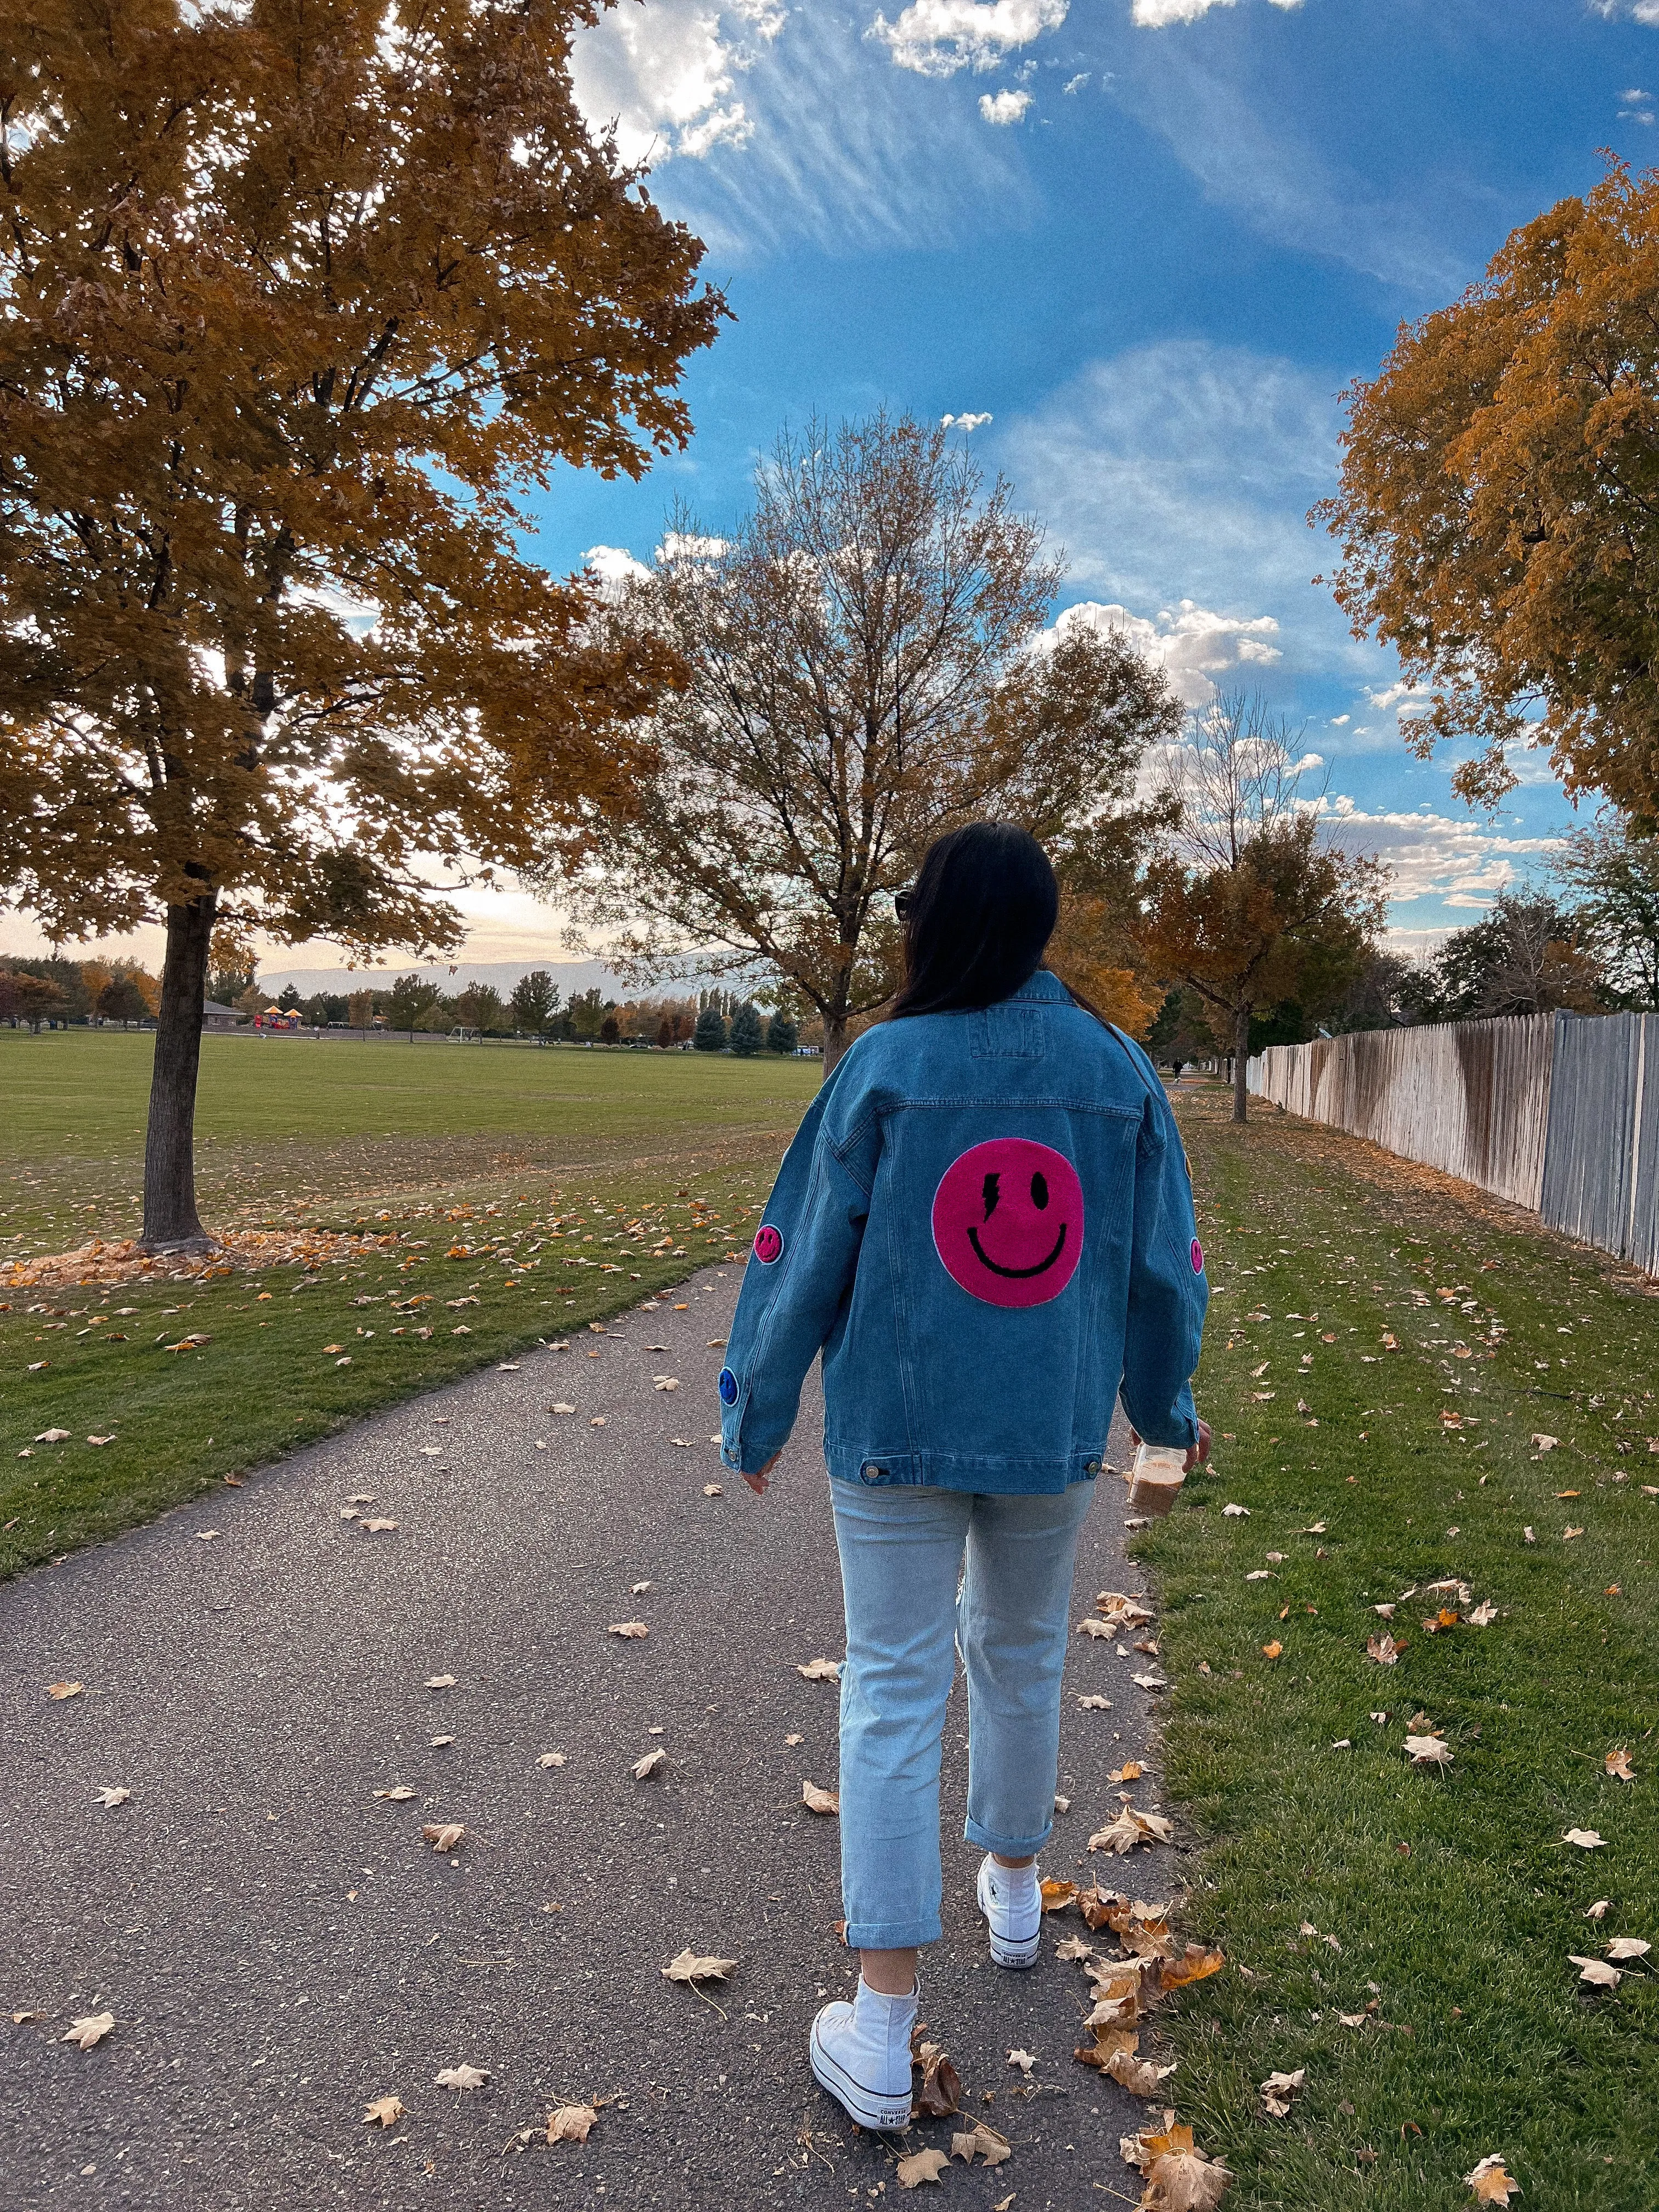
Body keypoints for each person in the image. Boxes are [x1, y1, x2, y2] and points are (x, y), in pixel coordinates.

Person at [715, 821, 1210, 2132]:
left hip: (894, 1425)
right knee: (1025, 1651)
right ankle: (1010, 1889)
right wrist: (1165, 1408)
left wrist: (757, 1407)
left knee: (890, 1688)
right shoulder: (1117, 1071)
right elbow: (1165, 1267)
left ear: (932, 925)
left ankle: (879, 2027)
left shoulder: (885, 1063)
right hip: (1047, 1429)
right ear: (1041, 927)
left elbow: (803, 1246)